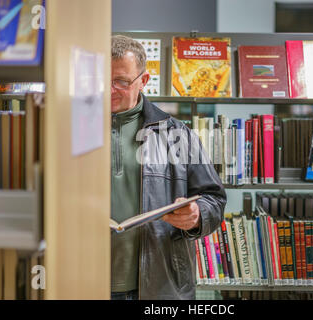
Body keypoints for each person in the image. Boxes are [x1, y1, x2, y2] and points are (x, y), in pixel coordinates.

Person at [110, 35, 226, 300]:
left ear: (143, 81)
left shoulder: (176, 134)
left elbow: (214, 199)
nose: (110, 89)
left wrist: (197, 215)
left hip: (158, 284)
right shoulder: (72, 130)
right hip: (82, 278)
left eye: (121, 81)